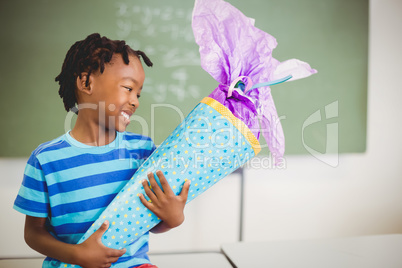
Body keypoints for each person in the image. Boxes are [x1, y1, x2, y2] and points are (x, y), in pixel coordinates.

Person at [13, 33, 191, 268]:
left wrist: (172, 218)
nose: (135, 101)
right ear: (86, 82)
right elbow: (33, 233)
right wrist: (76, 256)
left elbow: (148, 220)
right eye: (127, 88)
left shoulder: (144, 151)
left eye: (138, 93)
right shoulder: (46, 160)